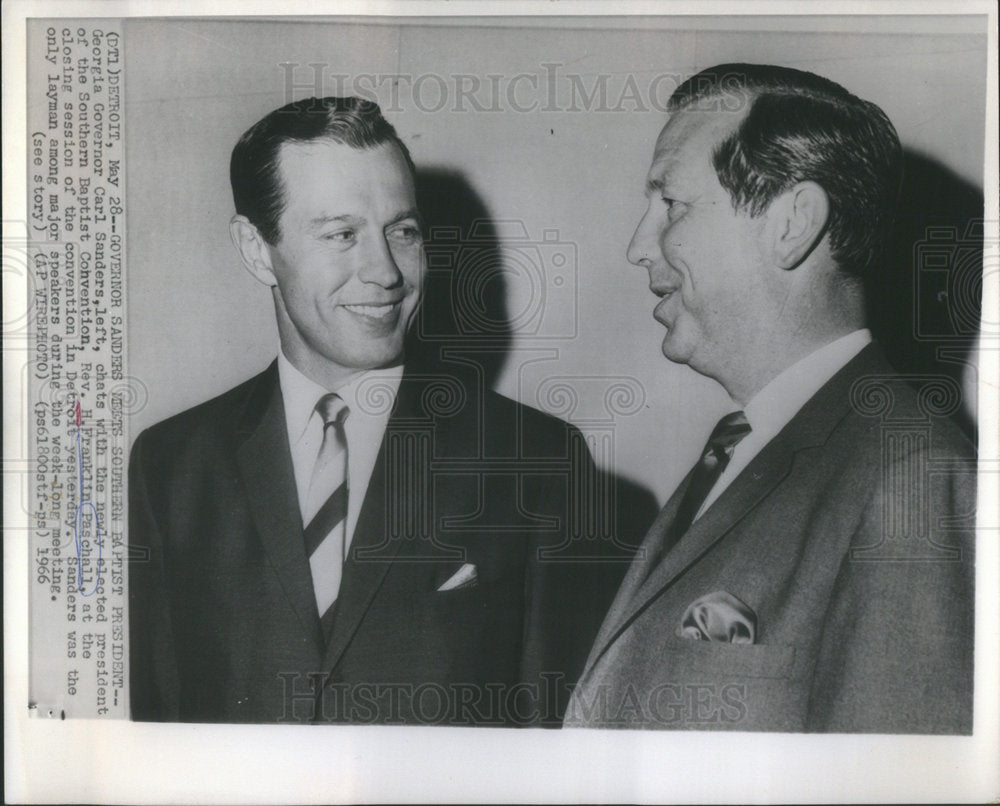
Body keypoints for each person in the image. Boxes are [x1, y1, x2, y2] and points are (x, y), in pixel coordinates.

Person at [129, 96, 622, 725]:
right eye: (341, 235)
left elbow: (559, 736)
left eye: (403, 231)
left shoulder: (540, 462)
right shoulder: (170, 466)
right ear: (257, 249)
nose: (386, 272)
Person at [565, 64, 976, 733]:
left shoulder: (914, 481)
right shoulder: (742, 454)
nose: (639, 247)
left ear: (792, 223)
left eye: (672, 205)